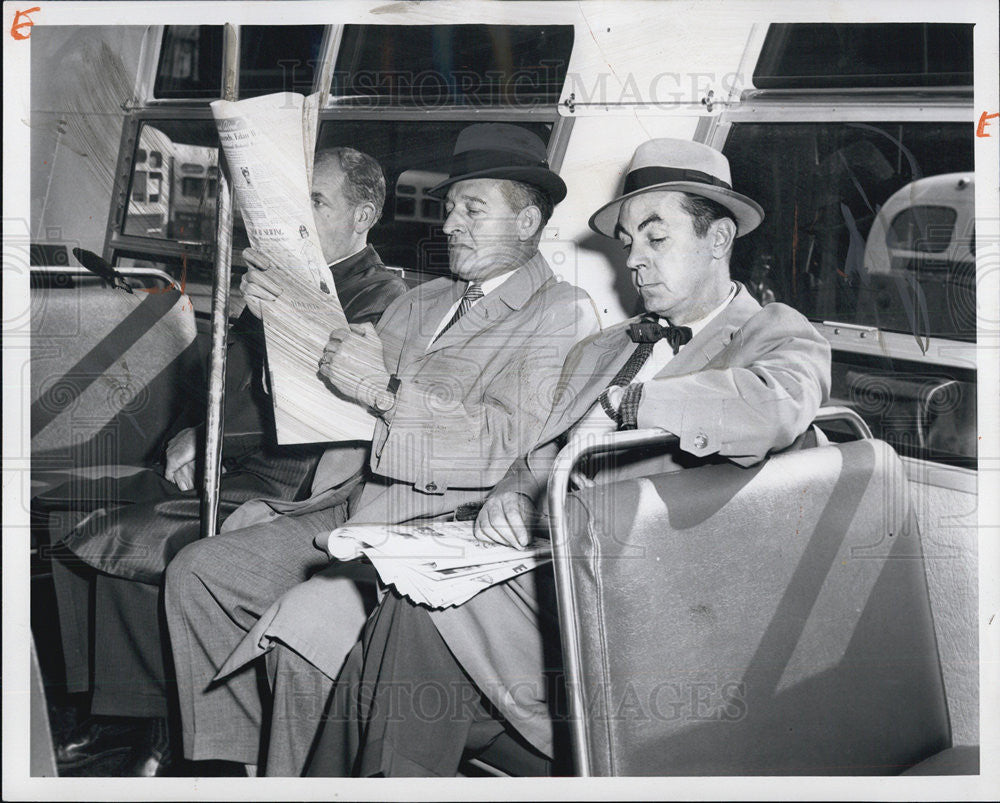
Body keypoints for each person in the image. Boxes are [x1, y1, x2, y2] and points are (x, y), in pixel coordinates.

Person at [304, 138, 833, 777]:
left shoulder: (773, 332)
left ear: (718, 238)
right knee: (396, 617)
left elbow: (776, 403)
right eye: (629, 241)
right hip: (548, 564)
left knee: (414, 616)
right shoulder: (605, 346)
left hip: (646, 596)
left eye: (655, 239)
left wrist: (634, 407)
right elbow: (536, 452)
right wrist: (511, 494)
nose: (634, 259)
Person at [164, 123, 601, 776]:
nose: (450, 222)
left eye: (471, 209)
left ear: (527, 219)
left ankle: (302, 778)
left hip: (434, 520)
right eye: (450, 207)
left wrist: (389, 390)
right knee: (199, 573)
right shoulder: (423, 300)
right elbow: (339, 392)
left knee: (302, 638)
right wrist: (276, 317)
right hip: (354, 498)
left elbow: (498, 442)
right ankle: (242, 764)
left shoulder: (560, 313)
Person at [46, 147, 406, 775]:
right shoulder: (286, 278)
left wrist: (220, 430)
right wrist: (193, 427)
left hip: (298, 476)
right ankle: (118, 712)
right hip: (236, 457)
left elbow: (327, 396)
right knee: (72, 522)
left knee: (136, 539)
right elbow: (227, 381)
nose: (298, 219)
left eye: (315, 203)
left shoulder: (384, 296)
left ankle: (155, 728)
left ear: (363, 215)